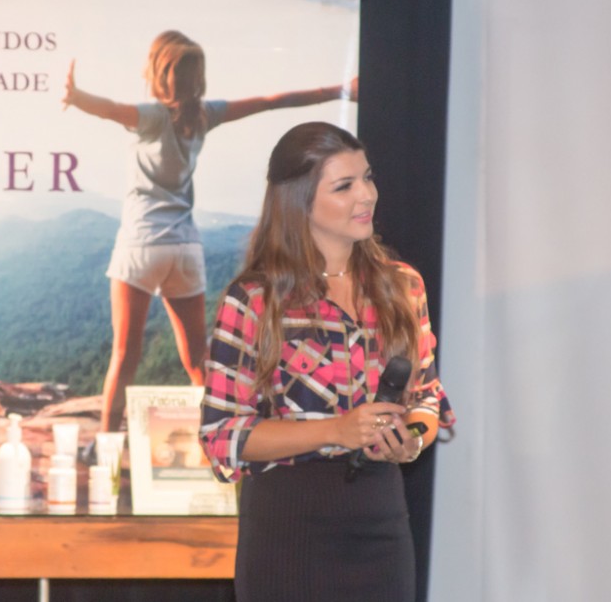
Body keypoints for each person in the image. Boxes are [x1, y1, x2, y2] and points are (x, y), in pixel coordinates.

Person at [199, 122, 455, 601]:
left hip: (382, 523)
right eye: (344, 186)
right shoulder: (255, 299)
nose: (367, 195)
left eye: (368, 177)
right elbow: (222, 436)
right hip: (288, 530)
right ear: (299, 200)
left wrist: (411, 440)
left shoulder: (403, 286)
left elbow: (427, 397)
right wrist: (337, 430)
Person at [62, 30, 358, 433]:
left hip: (140, 246)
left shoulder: (153, 117)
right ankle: (220, 439)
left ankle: (105, 444)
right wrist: (339, 90)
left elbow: (110, 109)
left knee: (124, 355)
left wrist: (77, 97)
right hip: (185, 249)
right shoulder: (204, 116)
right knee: (197, 358)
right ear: (196, 77)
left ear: (158, 72)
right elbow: (271, 101)